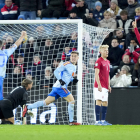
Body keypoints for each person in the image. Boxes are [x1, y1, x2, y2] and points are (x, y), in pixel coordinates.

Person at [23, 51, 80, 125]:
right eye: (72, 56)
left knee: (46, 102)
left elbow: (68, 76)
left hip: (57, 87)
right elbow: (56, 71)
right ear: (70, 57)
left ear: (78, 58)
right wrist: (60, 80)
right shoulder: (66, 64)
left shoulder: (74, 66)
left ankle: (28, 107)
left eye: (75, 56)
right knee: (72, 101)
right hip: (60, 87)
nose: (73, 57)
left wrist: (73, 79)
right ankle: (71, 121)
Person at [0, 31, 27, 100]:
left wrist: (22, 37)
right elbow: (15, 45)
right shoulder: (5, 52)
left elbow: (15, 45)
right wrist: (22, 36)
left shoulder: (5, 52)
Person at [94, 45, 112, 126]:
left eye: (107, 50)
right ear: (101, 51)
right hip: (99, 85)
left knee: (105, 102)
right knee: (99, 101)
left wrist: (109, 85)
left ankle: (103, 120)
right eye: (105, 50)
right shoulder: (99, 61)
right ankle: (97, 121)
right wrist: (99, 85)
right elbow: (96, 74)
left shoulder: (108, 61)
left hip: (105, 86)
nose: (107, 52)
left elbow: (108, 74)